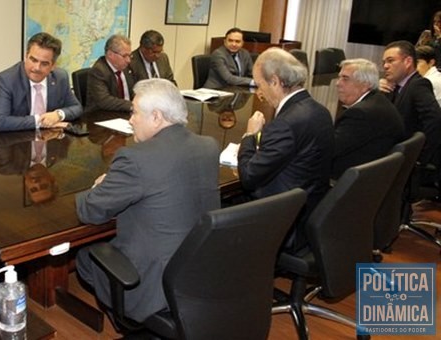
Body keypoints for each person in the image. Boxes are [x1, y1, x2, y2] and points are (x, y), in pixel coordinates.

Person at [75, 78, 220, 323]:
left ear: (156, 117)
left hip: (154, 286)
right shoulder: (208, 146)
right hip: (200, 270)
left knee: (84, 258)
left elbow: (90, 211)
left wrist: (100, 185)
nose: (130, 120)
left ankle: (127, 320)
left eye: (134, 112)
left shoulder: (135, 158)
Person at [237, 47, 334, 251]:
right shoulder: (320, 111)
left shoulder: (285, 124)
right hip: (313, 209)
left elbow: (248, 176)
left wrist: (250, 136)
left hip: (286, 221)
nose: (258, 92)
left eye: (259, 84)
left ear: (275, 81)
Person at [0, 32, 82, 131]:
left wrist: (58, 115)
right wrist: (40, 121)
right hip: (14, 139)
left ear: (53, 66)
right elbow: (0, 121)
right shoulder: (6, 80)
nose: (37, 68)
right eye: (33, 60)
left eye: (44, 63)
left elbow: (77, 107)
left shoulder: (60, 77)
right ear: (26, 57)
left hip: (48, 138)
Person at [331, 59, 405, 179]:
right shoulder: (377, 100)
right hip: (372, 178)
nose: (338, 83)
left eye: (345, 78)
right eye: (339, 77)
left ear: (365, 85)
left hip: (348, 181)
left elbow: (329, 150)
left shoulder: (360, 114)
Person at [380, 40, 441, 165]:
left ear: (407, 62)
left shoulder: (418, 84)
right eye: (384, 62)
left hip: (406, 160)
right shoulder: (396, 86)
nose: (385, 66)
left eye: (390, 61)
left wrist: (419, 156)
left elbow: (435, 120)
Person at [85, 34, 135, 113]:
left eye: (130, 55)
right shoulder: (98, 71)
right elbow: (104, 101)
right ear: (110, 54)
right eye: (125, 56)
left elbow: (134, 90)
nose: (128, 60)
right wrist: (132, 105)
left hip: (125, 113)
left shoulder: (126, 67)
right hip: (102, 116)